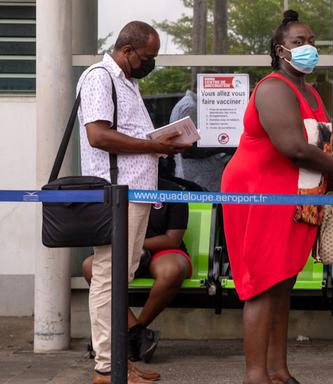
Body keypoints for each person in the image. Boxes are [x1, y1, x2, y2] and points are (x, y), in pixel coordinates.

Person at [220, 11, 333, 384]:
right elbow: (293, 147)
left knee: (283, 281)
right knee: (262, 284)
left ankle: (278, 370)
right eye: (298, 42)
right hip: (260, 193)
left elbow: (329, 145)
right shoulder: (274, 87)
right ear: (280, 50)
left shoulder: (310, 92)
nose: (309, 48)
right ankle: (256, 375)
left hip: (296, 195)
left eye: (312, 42)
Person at [78, 20, 192, 384]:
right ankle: (107, 367)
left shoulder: (126, 81)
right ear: (127, 51)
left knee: (118, 278)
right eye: (148, 56)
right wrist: (152, 146)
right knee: (108, 279)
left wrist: (161, 143)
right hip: (116, 193)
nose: (150, 63)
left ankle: (117, 363)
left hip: (134, 193)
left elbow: (124, 132)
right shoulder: (101, 77)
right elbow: (98, 135)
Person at [81, 161, 192, 364]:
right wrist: (129, 244)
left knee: (172, 271)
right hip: (126, 249)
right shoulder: (117, 190)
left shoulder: (172, 190)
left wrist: (135, 242)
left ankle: (131, 334)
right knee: (90, 266)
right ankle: (138, 335)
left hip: (162, 251)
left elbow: (172, 239)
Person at [168, 70, 233, 192]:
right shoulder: (192, 108)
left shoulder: (187, 104)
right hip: (198, 180)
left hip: (197, 178)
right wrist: (226, 147)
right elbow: (187, 150)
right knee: (200, 212)